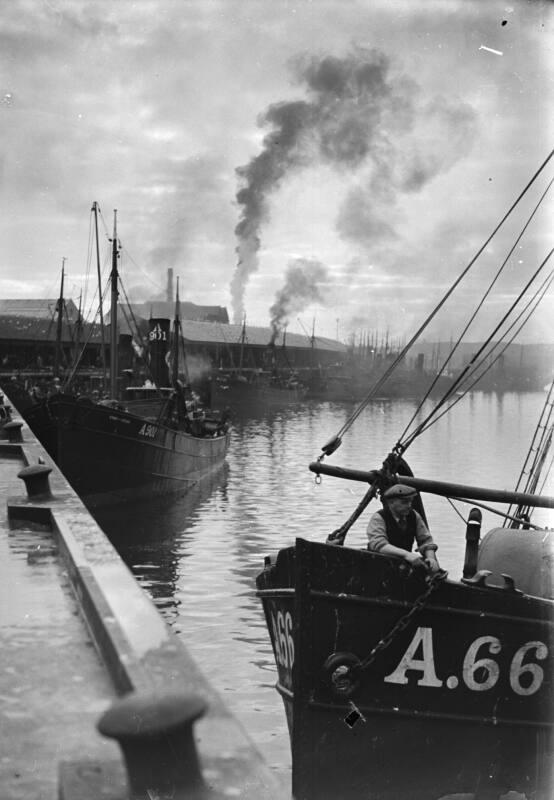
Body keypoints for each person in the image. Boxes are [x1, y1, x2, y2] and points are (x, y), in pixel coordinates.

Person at [366, 484, 441, 573]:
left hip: (403, 567)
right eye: (404, 502)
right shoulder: (379, 518)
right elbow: (379, 545)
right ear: (391, 503)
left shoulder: (414, 516)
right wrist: (407, 555)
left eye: (410, 501)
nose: (409, 505)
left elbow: (426, 541)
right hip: (379, 566)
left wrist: (431, 558)